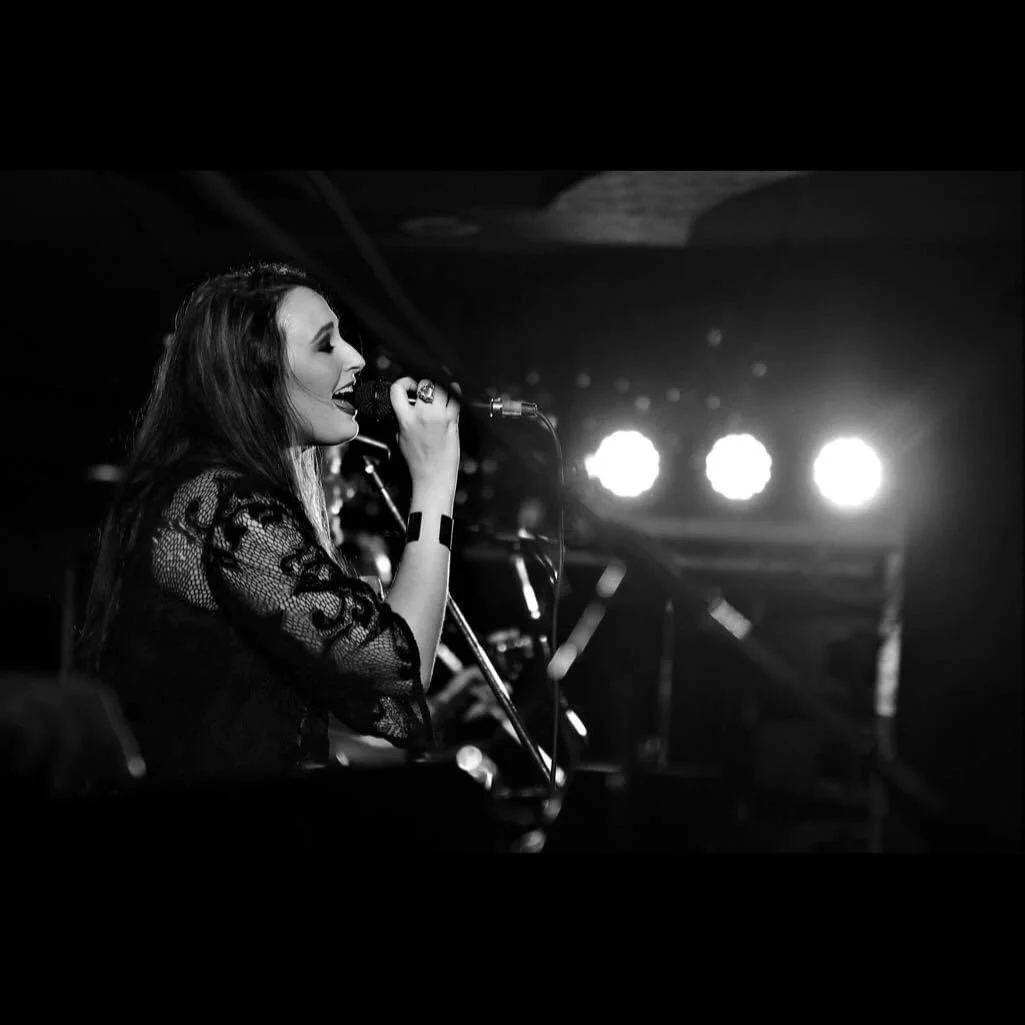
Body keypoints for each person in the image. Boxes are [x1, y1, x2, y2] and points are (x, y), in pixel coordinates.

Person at [79, 263, 460, 784]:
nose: (356, 359)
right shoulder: (228, 510)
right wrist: (436, 481)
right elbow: (396, 669)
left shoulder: (205, 490)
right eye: (326, 346)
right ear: (258, 378)